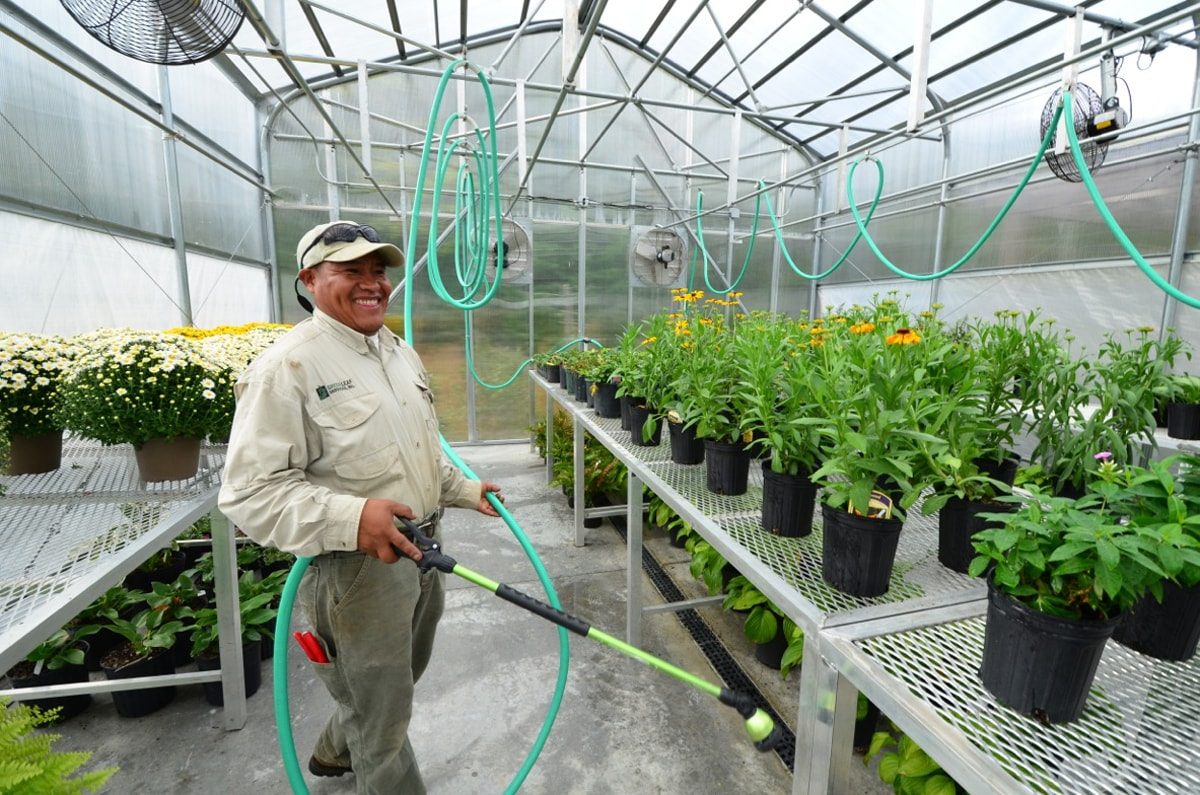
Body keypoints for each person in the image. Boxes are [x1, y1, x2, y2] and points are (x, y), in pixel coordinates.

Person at [219, 220, 503, 794]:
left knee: (395, 683)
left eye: (379, 271)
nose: (372, 283)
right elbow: (249, 493)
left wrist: (462, 490)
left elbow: (416, 450)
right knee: (385, 722)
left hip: (424, 552)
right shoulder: (287, 369)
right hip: (360, 573)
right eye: (351, 270)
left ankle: (332, 751)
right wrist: (353, 518)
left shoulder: (397, 351)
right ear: (310, 280)